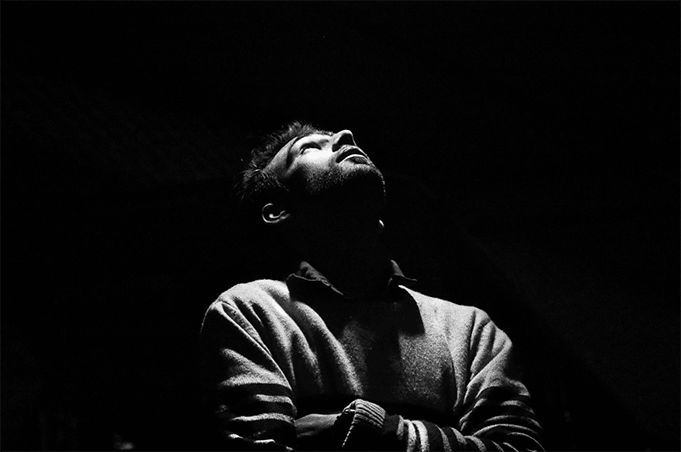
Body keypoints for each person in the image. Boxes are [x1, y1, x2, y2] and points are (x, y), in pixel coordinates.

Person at [200, 121, 545, 452]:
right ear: (277, 212)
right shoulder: (252, 313)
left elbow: (518, 448)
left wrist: (374, 430)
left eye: (338, 136)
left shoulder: (470, 330)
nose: (346, 134)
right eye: (308, 148)